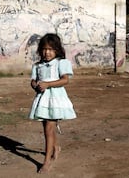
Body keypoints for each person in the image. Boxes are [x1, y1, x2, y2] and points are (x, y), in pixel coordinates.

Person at [28, 33, 77, 173]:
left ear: (57, 49)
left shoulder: (61, 63)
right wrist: (35, 85)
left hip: (56, 99)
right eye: (44, 49)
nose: (47, 52)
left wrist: (48, 84)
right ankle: (56, 148)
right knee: (47, 127)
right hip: (42, 99)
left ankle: (46, 161)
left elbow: (65, 80)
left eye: (50, 49)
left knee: (49, 129)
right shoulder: (37, 66)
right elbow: (33, 80)